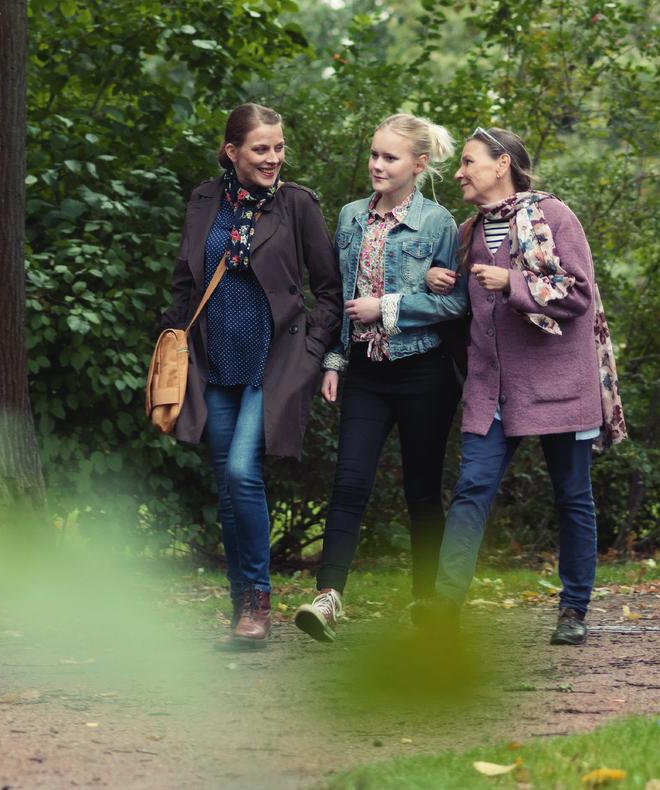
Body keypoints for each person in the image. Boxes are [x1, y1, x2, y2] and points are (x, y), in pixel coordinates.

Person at [419, 126, 626, 645]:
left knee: (572, 496)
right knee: (471, 490)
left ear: (502, 164)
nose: (460, 172)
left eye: (468, 162)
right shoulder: (468, 232)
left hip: (561, 385)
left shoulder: (555, 217)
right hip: (492, 389)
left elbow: (578, 291)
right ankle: (445, 606)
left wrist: (512, 281)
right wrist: (439, 280)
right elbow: (465, 304)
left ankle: (573, 611)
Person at [158, 103, 341, 648]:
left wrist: (311, 349)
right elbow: (185, 281)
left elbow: (329, 290)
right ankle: (243, 607)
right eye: (261, 149)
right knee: (228, 484)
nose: (273, 158)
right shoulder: (204, 200)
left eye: (279, 148)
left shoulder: (298, 205)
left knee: (242, 471)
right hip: (212, 362)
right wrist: (171, 341)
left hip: (274, 360)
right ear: (232, 151)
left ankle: (258, 601)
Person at [293, 113, 468, 643]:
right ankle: (328, 599)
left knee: (421, 489)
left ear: (418, 165)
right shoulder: (349, 217)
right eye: (373, 155)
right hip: (366, 372)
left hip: (425, 373)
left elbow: (456, 301)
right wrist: (335, 362)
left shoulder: (439, 223)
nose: (376, 165)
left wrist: (388, 307)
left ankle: (427, 602)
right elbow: (343, 295)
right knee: (349, 482)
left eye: (389, 158)